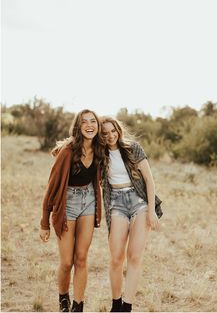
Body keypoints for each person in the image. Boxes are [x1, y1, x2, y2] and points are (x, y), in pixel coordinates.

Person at [39, 109, 105, 312]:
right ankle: (63, 299)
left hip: (89, 202)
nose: (89, 125)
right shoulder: (68, 151)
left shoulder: (100, 150)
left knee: (82, 258)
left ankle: (78, 305)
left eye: (93, 121)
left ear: (97, 125)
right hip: (67, 203)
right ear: (78, 126)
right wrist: (44, 222)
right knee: (67, 262)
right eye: (84, 122)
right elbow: (51, 187)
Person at [101, 117, 163, 312]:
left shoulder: (132, 148)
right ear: (100, 136)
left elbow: (149, 180)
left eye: (113, 131)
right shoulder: (99, 155)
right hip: (116, 203)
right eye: (105, 133)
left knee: (134, 256)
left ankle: (127, 307)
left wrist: (151, 210)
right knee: (116, 257)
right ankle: (116, 304)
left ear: (118, 130)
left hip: (139, 203)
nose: (110, 136)